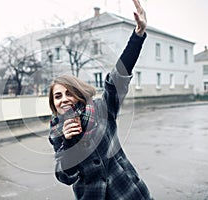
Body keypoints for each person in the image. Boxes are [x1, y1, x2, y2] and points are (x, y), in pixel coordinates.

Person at [48, 0, 153, 199]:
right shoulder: (56, 132)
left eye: (69, 92)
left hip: (128, 191)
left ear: (78, 93)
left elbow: (118, 79)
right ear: (53, 104)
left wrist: (137, 35)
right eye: (58, 96)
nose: (64, 99)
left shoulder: (101, 108)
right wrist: (69, 143)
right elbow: (64, 176)